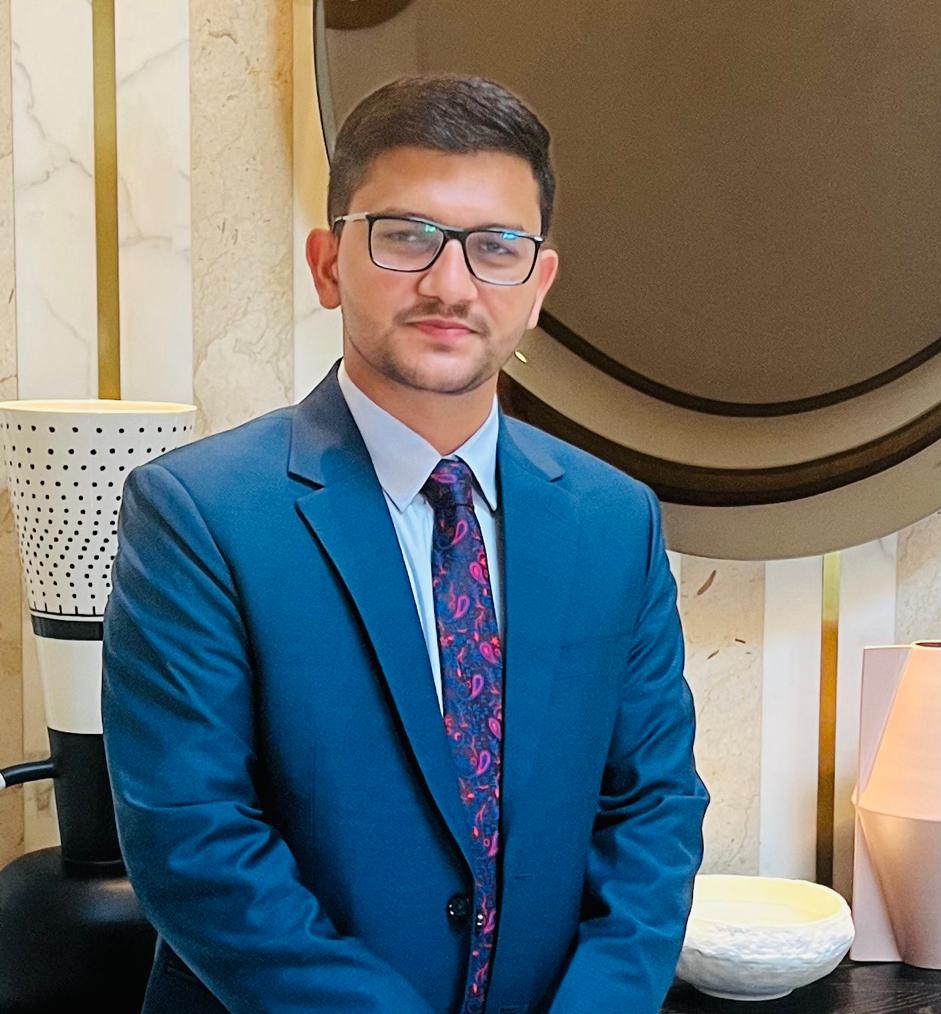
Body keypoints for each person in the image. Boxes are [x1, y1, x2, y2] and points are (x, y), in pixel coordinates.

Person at [102, 73, 708, 1014]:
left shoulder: (614, 520)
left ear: (538, 287)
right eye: (406, 235)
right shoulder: (197, 515)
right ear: (328, 264)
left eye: (496, 246)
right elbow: (197, 845)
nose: (449, 285)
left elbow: (653, 811)